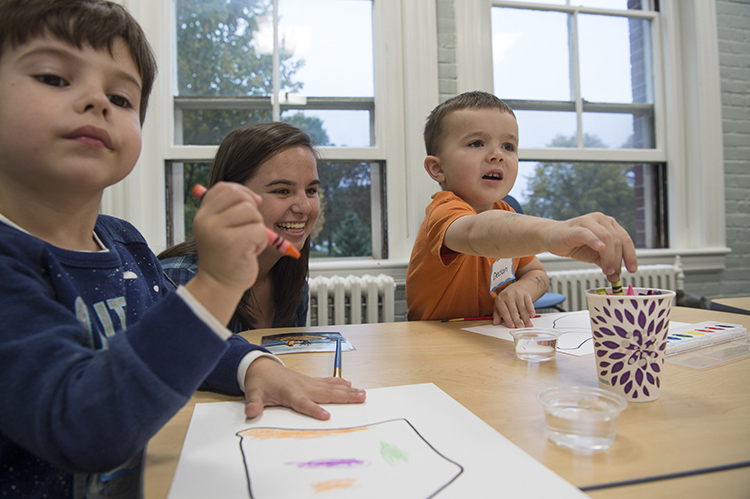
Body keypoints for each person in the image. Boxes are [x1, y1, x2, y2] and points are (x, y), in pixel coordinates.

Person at [0, 1, 363, 497]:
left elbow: (186, 341)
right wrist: (215, 283)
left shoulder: (123, 242)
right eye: (53, 77)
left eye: (122, 98)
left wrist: (254, 365)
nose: (97, 101)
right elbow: (85, 427)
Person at [407, 91, 638, 325]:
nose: (497, 155)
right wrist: (551, 232)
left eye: (508, 146)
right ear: (437, 168)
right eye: (476, 143)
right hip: (436, 348)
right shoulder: (442, 212)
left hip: (489, 343)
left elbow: (537, 274)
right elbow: (475, 232)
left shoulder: (507, 212)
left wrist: (521, 289)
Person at [159, 122, 318, 331]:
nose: (304, 207)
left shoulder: (291, 279)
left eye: (311, 190)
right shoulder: (179, 280)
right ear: (232, 195)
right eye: (282, 191)